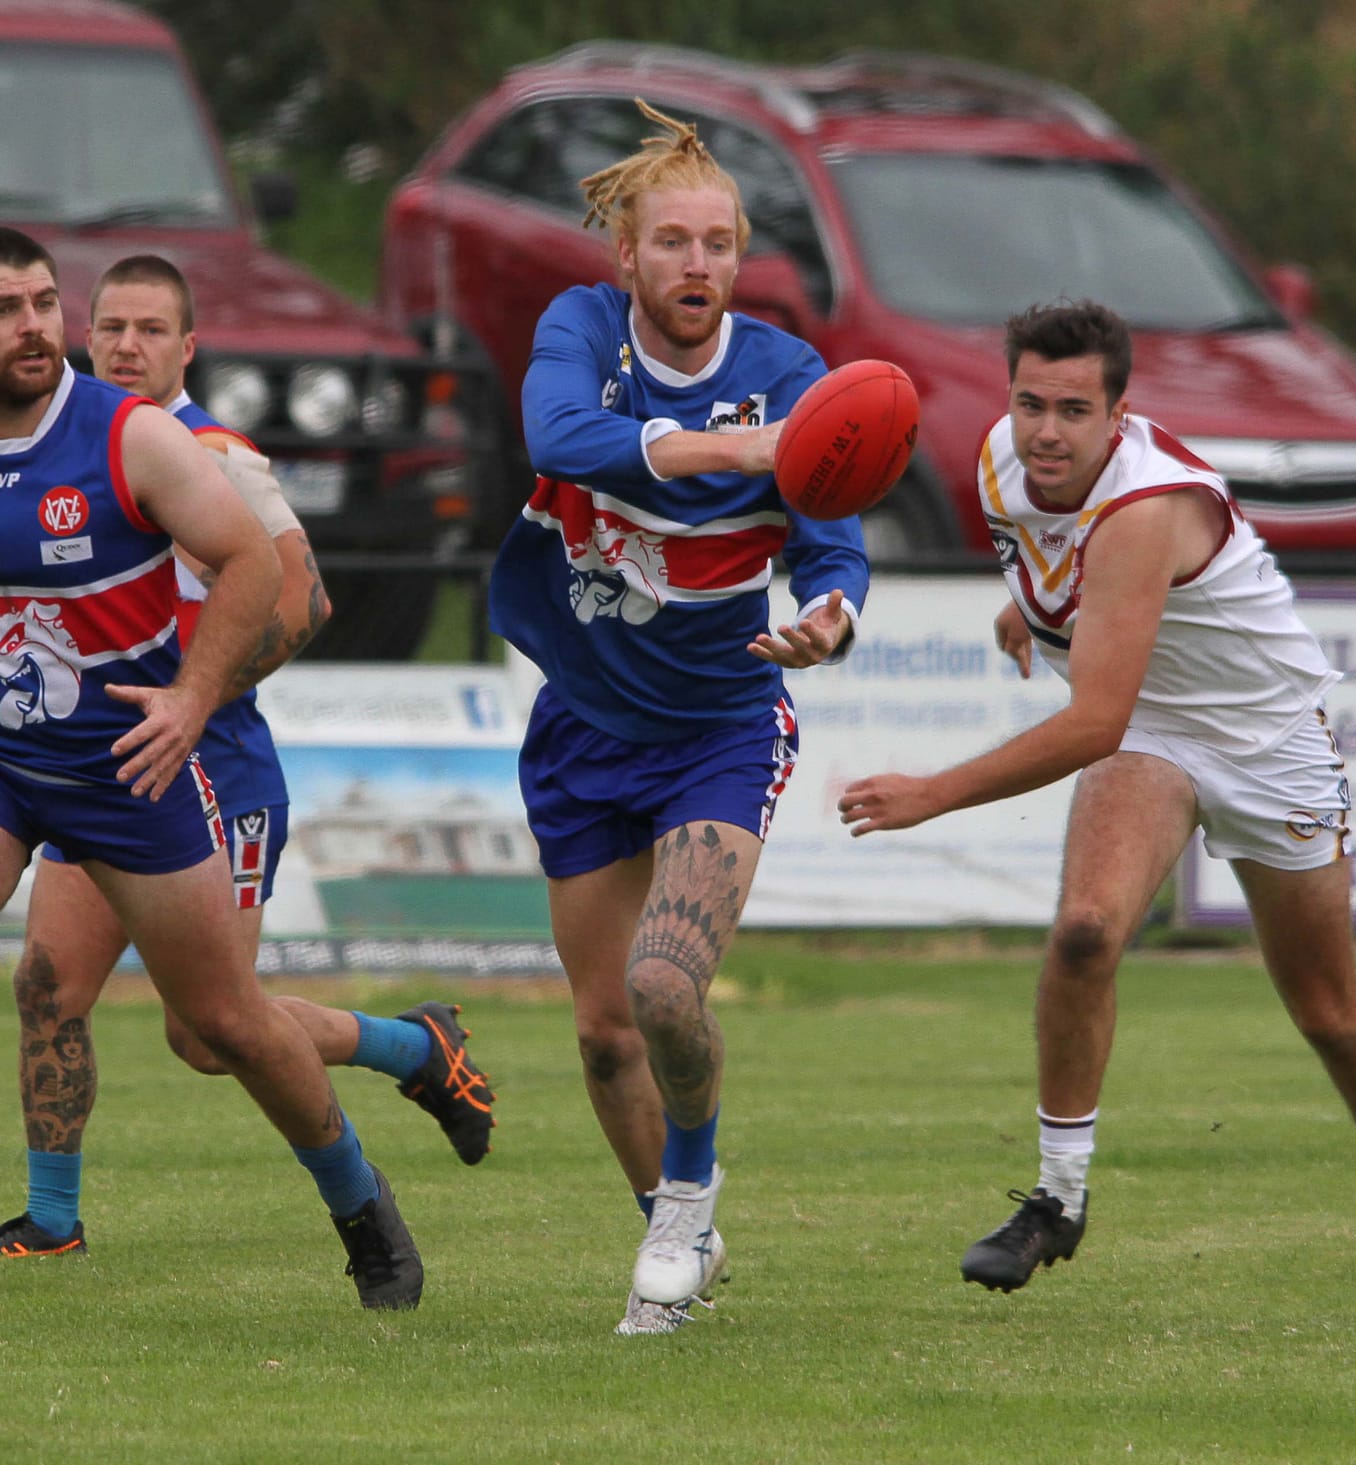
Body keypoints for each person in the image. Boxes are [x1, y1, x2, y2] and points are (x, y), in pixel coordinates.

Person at [0, 226, 423, 1320]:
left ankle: (358, 1203)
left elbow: (254, 565)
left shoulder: (133, 438)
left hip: (121, 767)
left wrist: (193, 699)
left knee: (226, 1023)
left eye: (48, 303)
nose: (38, 328)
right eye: (8, 309)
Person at [837, 298, 1356, 1305]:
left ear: (1117, 414)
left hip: (1263, 739)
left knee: (1327, 1009)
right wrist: (1031, 606)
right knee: (1084, 933)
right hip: (1150, 730)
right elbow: (1066, 588)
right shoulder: (1003, 462)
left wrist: (931, 792)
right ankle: (1055, 1201)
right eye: (1027, 403)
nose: (1044, 430)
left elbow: (1089, 720)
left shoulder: (1144, 507)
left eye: (1070, 409)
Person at [0, 254, 494, 1261]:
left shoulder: (214, 455)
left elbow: (307, 602)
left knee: (208, 1032)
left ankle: (415, 1047)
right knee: (45, 983)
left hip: (213, 773)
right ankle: (53, 1219)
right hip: (100, 765)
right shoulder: (64, 450)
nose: (125, 345)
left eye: (150, 330)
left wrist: (195, 695)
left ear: (186, 347)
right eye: (110, 327)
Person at [489, 101, 870, 1335]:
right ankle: (685, 1236)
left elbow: (835, 548)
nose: (695, 264)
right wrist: (727, 449)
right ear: (627, 257)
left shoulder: (791, 378)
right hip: (585, 722)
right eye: (670, 242)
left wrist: (828, 619)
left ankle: (681, 1208)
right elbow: (558, 436)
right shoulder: (581, 329)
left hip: (721, 722)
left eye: (717, 243)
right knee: (604, 1037)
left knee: (662, 987)